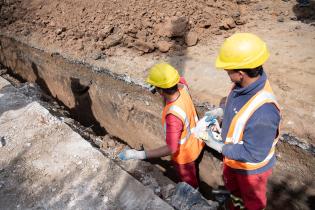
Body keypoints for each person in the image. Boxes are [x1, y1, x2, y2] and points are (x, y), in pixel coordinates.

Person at [198, 33, 281, 210]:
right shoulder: (242, 85)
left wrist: (219, 146)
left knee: (252, 204)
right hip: (234, 160)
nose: (226, 73)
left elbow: (253, 153)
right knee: (236, 196)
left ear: (241, 73)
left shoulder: (264, 113)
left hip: (250, 171)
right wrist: (221, 110)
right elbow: (238, 107)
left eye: (228, 70)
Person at [118, 63, 205, 188]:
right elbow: (181, 80)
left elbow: (171, 148)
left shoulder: (173, 116)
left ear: (160, 90)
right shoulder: (183, 88)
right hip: (196, 142)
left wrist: (139, 154)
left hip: (184, 156)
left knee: (189, 185)